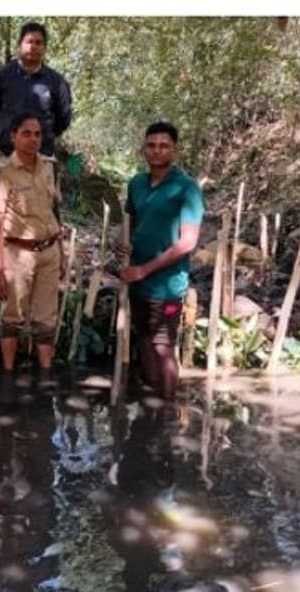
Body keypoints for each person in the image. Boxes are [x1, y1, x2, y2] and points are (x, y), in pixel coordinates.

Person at [120, 121, 204, 401]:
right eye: (151, 145)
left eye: (164, 146)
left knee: (163, 343)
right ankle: (151, 405)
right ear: (143, 149)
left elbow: (188, 242)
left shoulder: (187, 189)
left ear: (175, 151)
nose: (157, 151)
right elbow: (131, 221)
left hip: (167, 286)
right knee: (143, 336)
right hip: (136, 280)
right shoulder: (137, 184)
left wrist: (145, 269)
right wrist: (122, 243)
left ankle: (167, 412)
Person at [0, 113, 64, 373]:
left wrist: (62, 254)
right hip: (17, 253)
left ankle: (45, 375)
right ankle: (8, 375)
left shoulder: (49, 167)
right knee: (12, 316)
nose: (33, 139)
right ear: (13, 136)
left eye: (37, 134)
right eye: (26, 133)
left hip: (49, 251)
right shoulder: (4, 172)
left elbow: (54, 210)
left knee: (46, 319)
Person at [0, 21, 73, 158]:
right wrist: (5, 134)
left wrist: (45, 136)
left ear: (44, 48)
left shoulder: (57, 82)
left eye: (38, 43)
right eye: (29, 42)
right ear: (19, 45)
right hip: (6, 156)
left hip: (42, 157)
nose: (33, 46)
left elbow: (63, 118)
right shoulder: (1, 76)